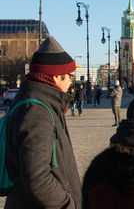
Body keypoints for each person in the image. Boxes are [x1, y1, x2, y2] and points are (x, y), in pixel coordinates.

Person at [5, 36, 82, 208]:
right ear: (56, 77)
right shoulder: (37, 112)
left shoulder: (37, 101)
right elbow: (37, 178)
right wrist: (67, 204)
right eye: (70, 76)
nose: (72, 82)